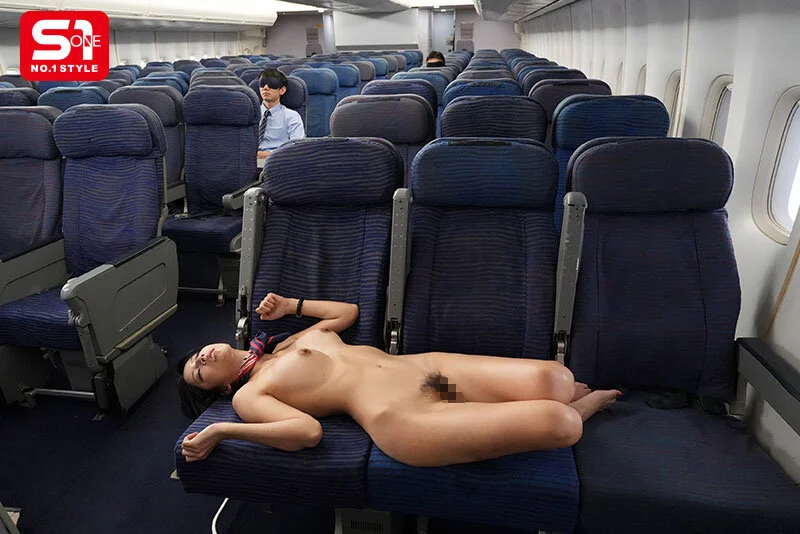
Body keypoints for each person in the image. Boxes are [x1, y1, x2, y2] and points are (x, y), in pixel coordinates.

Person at [178, 294, 620, 468]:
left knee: (556, 378)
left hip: (427, 372)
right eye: (199, 371)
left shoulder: (292, 340)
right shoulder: (250, 395)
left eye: (197, 354)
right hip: (400, 415)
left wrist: (292, 305)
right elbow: (306, 432)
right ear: (221, 388)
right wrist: (221, 431)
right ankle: (579, 410)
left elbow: (346, 314)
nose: (203, 357)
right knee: (563, 422)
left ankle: (558, 400)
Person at [256, 68, 305, 159]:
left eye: (272, 84)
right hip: (248, 160)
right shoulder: (251, 115)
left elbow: (296, 147)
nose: (266, 88)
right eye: (262, 84)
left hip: (279, 159)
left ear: (282, 90)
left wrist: (266, 155)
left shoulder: (291, 116)